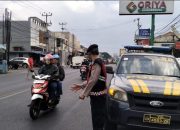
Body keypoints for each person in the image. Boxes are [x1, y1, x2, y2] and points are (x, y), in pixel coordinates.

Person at [71, 44, 107, 130]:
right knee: (98, 120)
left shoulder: (97, 63)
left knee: (97, 121)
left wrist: (84, 93)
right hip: (99, 96)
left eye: (88, 55)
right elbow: (94, 79)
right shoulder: (99, 62)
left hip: (98, 97)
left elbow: (93, 80)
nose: (88, 57)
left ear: (91, 54)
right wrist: (82, 85)